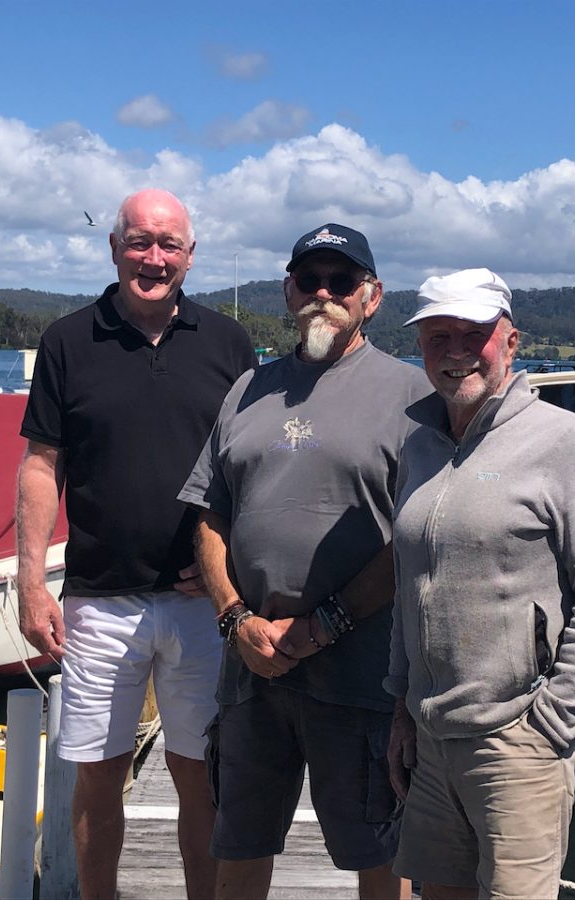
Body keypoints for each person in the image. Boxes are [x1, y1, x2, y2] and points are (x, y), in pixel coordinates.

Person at [16, 189, 257, 899]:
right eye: (140, 242)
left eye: (169, 244)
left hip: (201, 603)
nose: (154, 258)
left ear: (190, 255)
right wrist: (32, 583)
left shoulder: (228, 343)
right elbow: (40, 465)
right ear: (114, 247)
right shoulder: (67, 340)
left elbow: (251, 468)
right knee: (98, 775)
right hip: (100, 599)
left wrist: (231, 566)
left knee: (200, 773)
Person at [179, 223, 430, 900]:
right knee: (240, 845)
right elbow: (209, 514)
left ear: (371, 297)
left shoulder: (412, 397)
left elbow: (412, 534)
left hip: (362, 678)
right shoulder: (247, 390)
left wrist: (324, 624)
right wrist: (235, 620)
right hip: (252, 673)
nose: (324, 294)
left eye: (341, 282)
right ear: (289, 291)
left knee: (380, 856)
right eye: (309, 280)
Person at [384, 268, 575, 899]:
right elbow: (408, 587)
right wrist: (401, 708)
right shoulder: (418, 446)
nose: (456, 350)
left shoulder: (564, 443)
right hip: (430, 736)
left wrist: (554, 720)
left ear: (511, 340)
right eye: (438, 336)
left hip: (516, 740)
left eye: (474, 333)